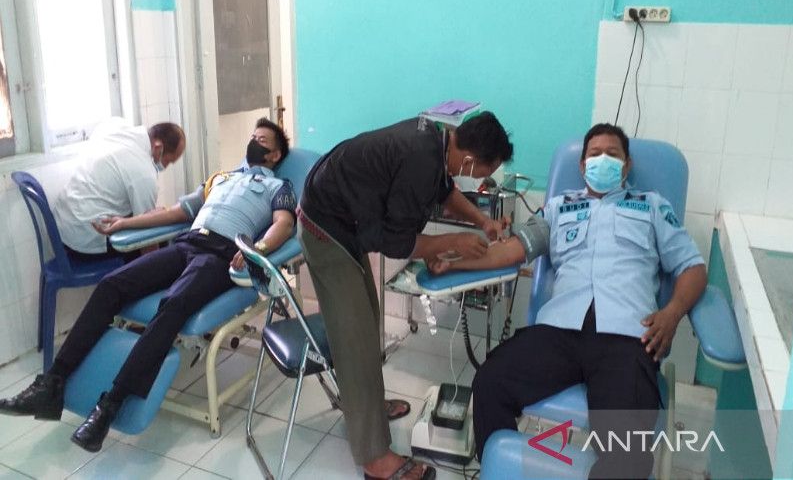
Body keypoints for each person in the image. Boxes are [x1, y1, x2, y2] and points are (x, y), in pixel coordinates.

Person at [429, 123, 707, 479]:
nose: (602, 160)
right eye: (594, 154)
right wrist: (454, 262)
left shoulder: (651, 207)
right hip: (559, 332)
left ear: (626, 165)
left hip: (627, 337)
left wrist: (672, 313)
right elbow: (511, 251)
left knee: (627, 455)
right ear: (582, 165)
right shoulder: (559, 209)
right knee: (490, 383)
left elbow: (692, 268)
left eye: (612, 154)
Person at [0, 119, 294, 453]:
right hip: (186, 244)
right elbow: (175, 212)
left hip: (221, 256)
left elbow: (283, 224)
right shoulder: (220, 178)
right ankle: (51, 384)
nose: (254, 141)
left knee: (173, 304)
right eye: (253, 136)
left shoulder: (279, 187)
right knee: (111, 285)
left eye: (262, 140)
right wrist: (124, 223)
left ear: (275, 155)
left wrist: (258, 249)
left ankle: (110, 405)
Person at [298, 111, 514, 480]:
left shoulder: (436, 139)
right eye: (483, 172)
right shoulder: (421, 156)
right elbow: (395, 243)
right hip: (326, 229)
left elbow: (444, 191)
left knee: (367, 321)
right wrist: (450, 242)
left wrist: (482, 222)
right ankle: (375, 460)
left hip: (342, 220)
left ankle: (366, 408)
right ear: (469, 158)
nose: (480, 180)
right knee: (355, 339)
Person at [52, 118, 186, 262]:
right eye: (168, 161)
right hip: (87, 240)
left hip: (63, 227)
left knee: (153, 218)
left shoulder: (117, 127)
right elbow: (148, 238)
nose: (166, 167)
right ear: (158, 148)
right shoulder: (144, 173)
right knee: (162, 240)